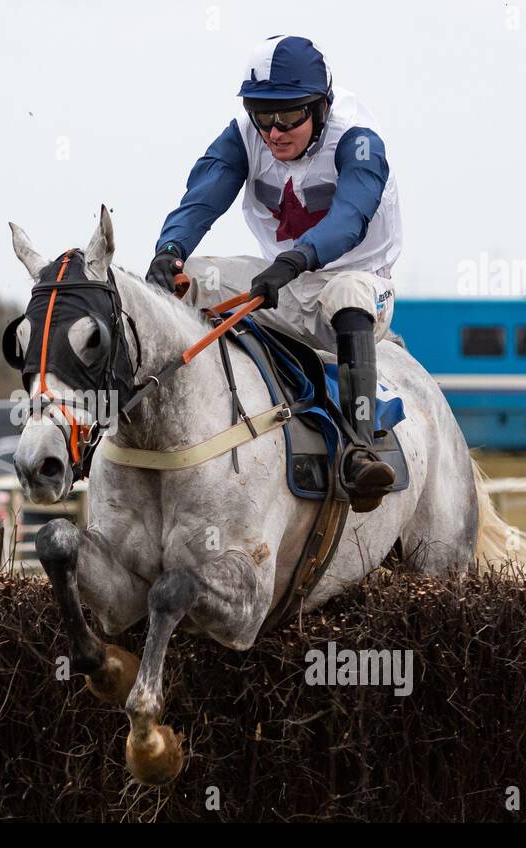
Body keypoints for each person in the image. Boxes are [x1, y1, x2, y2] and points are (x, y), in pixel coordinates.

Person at [145, 35, 402, 512]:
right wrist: (170, 252)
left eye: (289, 117)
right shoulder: (245, 134)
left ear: (322, 106)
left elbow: (349, 218)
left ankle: (361, 449)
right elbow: (202, 198)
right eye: (262, 115)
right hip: (283, 281)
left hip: (361, 285)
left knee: (346, 291)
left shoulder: (359, 137)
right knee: (188, 281)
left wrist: (294, 260)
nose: (274, 132)